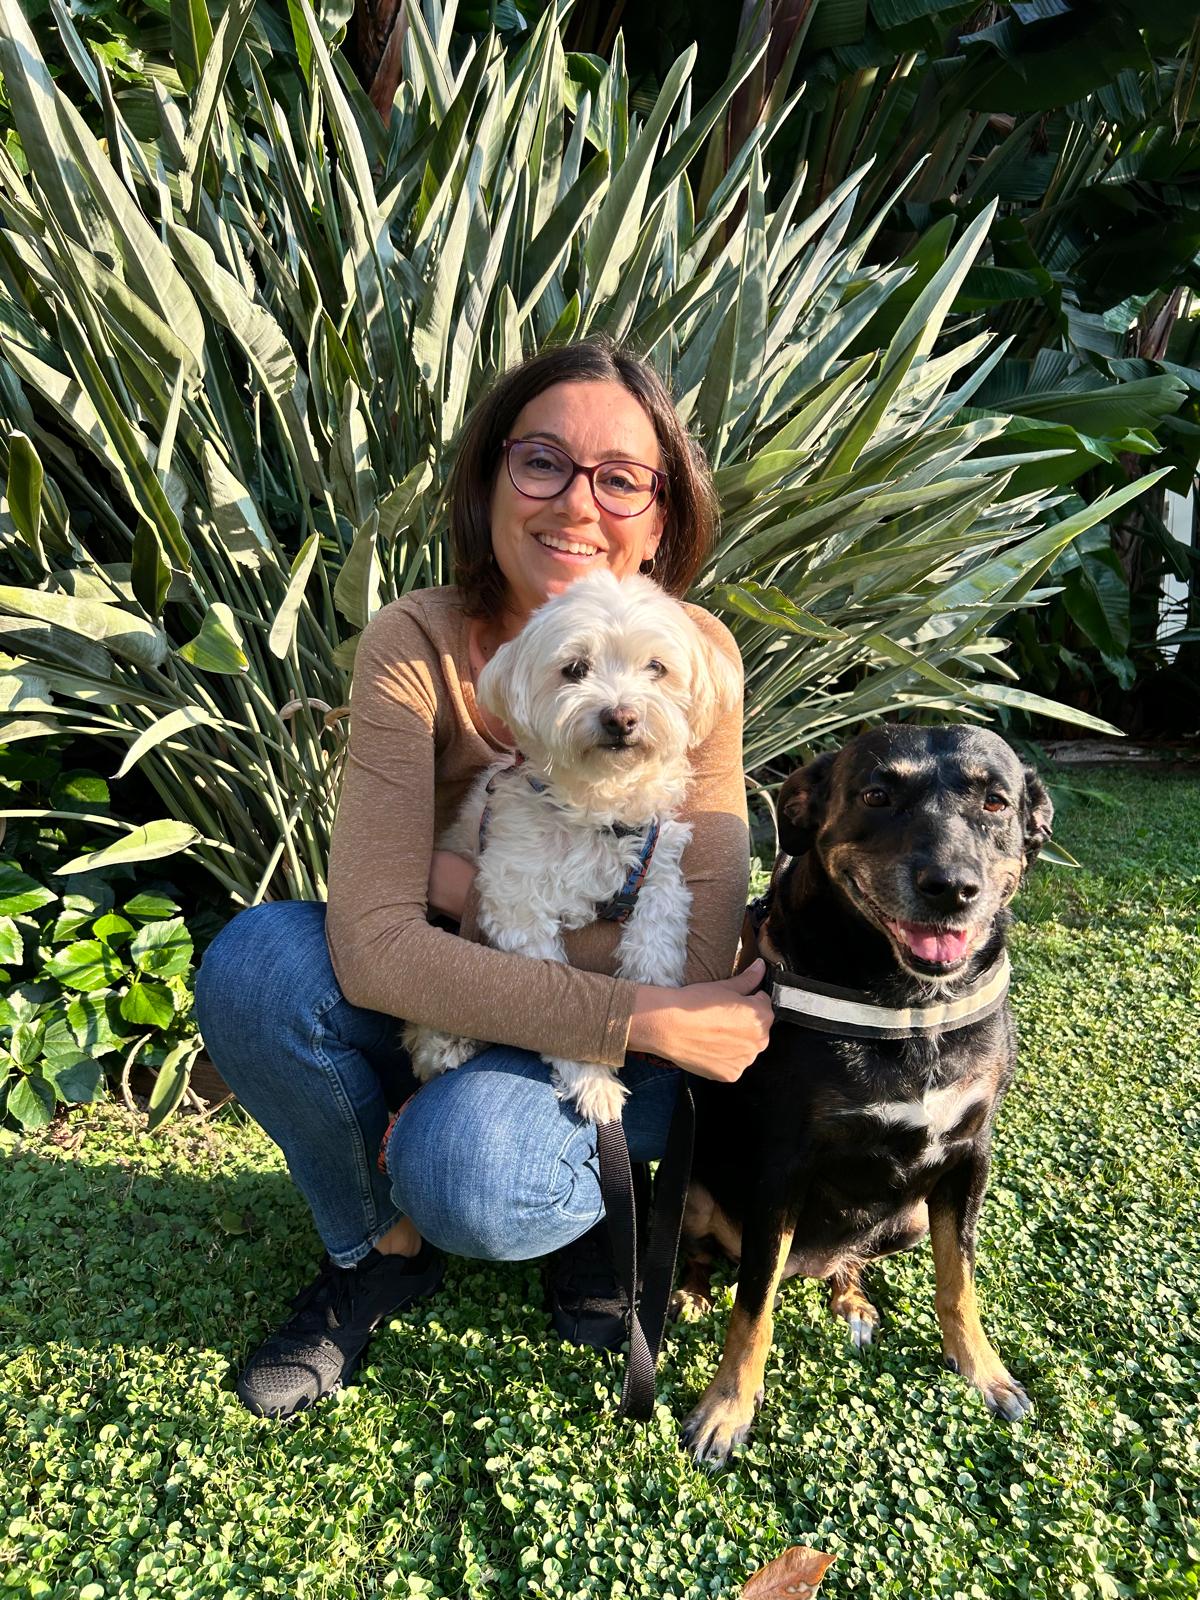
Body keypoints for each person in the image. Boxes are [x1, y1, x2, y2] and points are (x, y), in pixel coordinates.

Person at [195, 339, 774, 1420]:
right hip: (489, 990)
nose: (577, 502)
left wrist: (459, 894)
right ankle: (379, 1248)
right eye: (542, 460)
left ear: (661, 516)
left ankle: (592, 1214)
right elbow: (372, 945)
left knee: (472, 1166)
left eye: (621, 477)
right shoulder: (415, 641)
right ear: (492, 479)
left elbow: (691, 953)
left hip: (624, 1031)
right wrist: (515, 931)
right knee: (256, 968)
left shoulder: (700, 656)